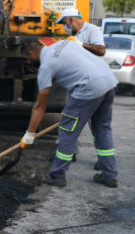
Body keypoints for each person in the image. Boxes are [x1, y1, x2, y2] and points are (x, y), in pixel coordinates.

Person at [20, 37, 119, 188]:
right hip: (109, 81)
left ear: (31, 53)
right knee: (102, 129)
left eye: (26, 58)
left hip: (89, 87)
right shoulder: (63, 43)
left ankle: (57, 176)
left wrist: (30, 134)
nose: (27, 62)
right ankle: (110, 175)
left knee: (67, 133)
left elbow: (40, 107)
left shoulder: (46, 67)